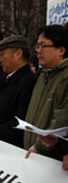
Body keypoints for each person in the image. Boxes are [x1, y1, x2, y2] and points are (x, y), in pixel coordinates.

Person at [24, 24, 68, 161]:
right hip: (32, 153)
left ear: (61, 50)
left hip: (50, 159)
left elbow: (62, 119)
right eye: (37, 46)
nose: (39, 51)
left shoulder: (65, 77)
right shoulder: (43, 76)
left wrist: (39, 147)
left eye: (43, 46)